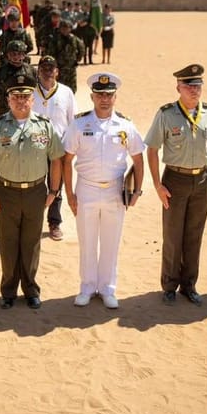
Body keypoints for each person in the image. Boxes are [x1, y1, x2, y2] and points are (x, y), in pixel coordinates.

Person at [145, 64, 207, 305]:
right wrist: (157, 184)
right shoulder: (166, 114)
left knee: (194, 234)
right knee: (173, 235)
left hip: (202, 179)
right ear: (178, 87)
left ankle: (190, 285)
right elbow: (152, 150)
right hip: (174, 178)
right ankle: (170, 285)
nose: (194, 90)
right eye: (188, 86)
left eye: (198, 85)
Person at [0, 72, 65, 310]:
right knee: (8, 244)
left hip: (37, 192)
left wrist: (54, 190)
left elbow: (56, 159)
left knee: (31, 243)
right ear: (8, 100)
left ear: (32, 100)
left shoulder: (45, 127)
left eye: (25, 96)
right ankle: (8, 291)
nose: (20, 101)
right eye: (15, 96)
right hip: (7, 192)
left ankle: (31, 290)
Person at [63, 73, 145, 309]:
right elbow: (66, 160)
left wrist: (137, 190)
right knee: (87, 240)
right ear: (92, 96)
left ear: (115, 97)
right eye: (99, 94)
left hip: (114, 190)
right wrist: (69, 194)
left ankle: (108, 288)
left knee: (111, 240)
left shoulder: (125, 125)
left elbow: (138, 159)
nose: (104, 99)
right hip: (86, 188)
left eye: (109, 95)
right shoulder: (79, 124)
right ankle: (87, 287)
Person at [32, 55, 76, 240]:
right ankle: (33, 222)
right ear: (38, 71)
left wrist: (71, 148)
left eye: (51, 68)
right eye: (44, 68)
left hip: (59, 148)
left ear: (57, 71)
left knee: (56, 186)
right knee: (35, 186)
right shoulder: (31, 92)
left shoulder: (66, 92)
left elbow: (72, 121)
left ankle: (54, 222)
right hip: (35, 147)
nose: (48, 71)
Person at [0, 40, 36, 116]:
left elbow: (37, 90)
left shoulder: (31, 71)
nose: (16, 57)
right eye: (13, 54)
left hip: (27, 110)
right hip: (5, 112)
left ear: (24, 55)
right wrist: (9, 103)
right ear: (8, 55)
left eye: (19, 54)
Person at [46, 19, 85, 92]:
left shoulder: (74, 39)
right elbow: (50, 53)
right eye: (63, 28)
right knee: (59, 87)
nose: (65, 30)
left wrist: (78, 58)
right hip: (60, 68)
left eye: (67, 28)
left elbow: (81, 48)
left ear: (70, 29)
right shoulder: (55, 39)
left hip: (71, 68)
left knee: (72, 87)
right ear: (60, 29)